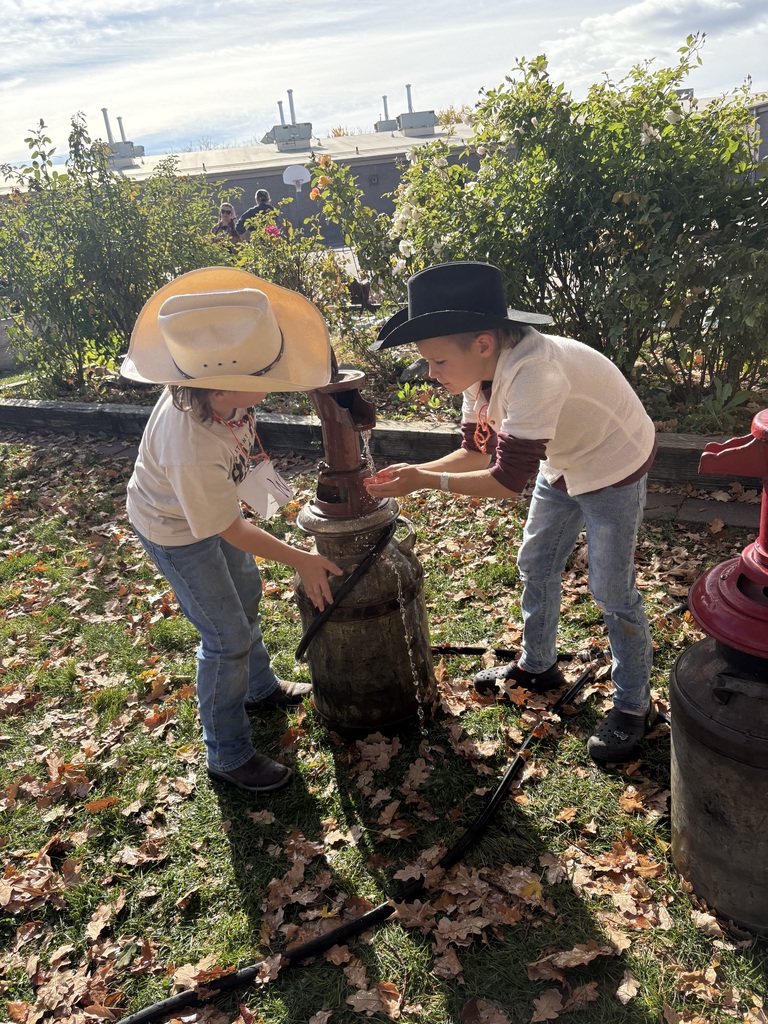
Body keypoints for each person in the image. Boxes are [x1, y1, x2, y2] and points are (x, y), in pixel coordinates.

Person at [365, 261, 658, 765]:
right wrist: (416, 470)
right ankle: (537, 666)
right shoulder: (480, 374)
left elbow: (504, 481)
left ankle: (636, 705)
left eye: (436, 362)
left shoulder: (534, 374)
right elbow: (478, 453)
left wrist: (426, 481)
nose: (431, 374)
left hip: (612, 463)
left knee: (611, 587)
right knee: (535, 562)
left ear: (482, 343)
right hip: (561, 459)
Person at [120, 267, 343, 794]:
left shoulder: (219, 398)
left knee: (245, 593)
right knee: (224, 636)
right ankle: (228, 753)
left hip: (209, 510)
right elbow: (229, 530)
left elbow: (238, 471)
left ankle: (259, 688)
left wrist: (265, 494)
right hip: (174, 529)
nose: (264, 391)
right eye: (256, 384)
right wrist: (302, 559)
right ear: (217, 387)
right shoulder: (190, 445)